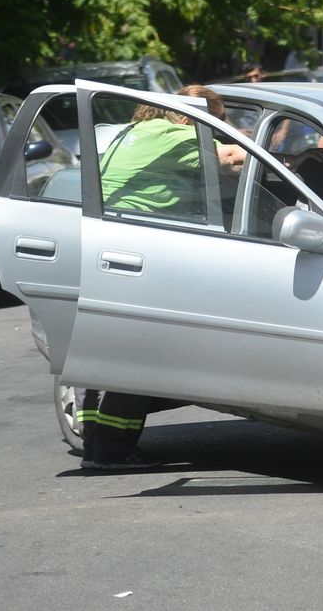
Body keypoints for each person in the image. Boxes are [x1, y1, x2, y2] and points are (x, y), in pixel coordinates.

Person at [82, 84, 242, 470]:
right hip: (140, 246)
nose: (216, 130)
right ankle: (113, 450)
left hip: (105, 242)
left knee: (105, 355)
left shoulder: (134, 131)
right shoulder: (179, 136)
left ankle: (94, 445)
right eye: (214, 122)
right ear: (194, 116)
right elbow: (237, 157)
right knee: (142, 353)